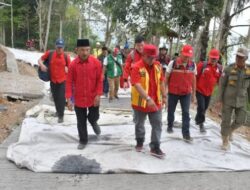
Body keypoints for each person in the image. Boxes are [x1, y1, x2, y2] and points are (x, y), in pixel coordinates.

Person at [66, 39, 103, 150]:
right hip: (79, 98)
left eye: (87, 50)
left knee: (93, 116)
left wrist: (98, 95)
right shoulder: (73, 65)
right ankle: (83, 140)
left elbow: (99, 80)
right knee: (80, 121)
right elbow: (68, 82)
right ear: (77, 50)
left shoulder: (96, 63)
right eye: (82, 50)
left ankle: (93, 122)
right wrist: (69, 99)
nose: (85, 53)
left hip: (93, 97)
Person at [131, 44, 166, 158]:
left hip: (156, 102)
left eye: (154, 57)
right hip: (141, 103)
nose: (152, 60)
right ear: (143, 55)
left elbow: (161, 81)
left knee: (157, 124)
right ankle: (140, 141)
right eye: (149, 57)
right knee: (139, 124)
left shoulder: (158, 66)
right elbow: (136, 84)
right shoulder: (136, 67)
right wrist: (147, 98)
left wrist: (164, 95)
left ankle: (155, 147)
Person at [218, 47, 250, 150]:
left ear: (246, 58)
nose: (238, 58)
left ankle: (230, 131)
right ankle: (225, 140)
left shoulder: (249, 70)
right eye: (237, 56)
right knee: (225, 121)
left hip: (241, 100)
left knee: (241, 120)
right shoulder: (228, 68)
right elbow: (221, 85)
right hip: (228, 99)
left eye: (241, 57)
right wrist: (219, 100)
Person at [166, 44, 196, 142]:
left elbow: (193, 79)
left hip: (186, 93)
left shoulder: (192, 65)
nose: (186, 58)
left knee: (186, 113)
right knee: (171, 110)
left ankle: (186, 134)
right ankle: (170, 125)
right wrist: (164, 92)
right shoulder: (173, 63)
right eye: (185, 55)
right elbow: (166, 78)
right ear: (181, 53)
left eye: (188, 56)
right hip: (173, 91)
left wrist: (194, 94)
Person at [38, 38, 70, 123]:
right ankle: (58, 111)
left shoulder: (66, 56)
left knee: (61, 98)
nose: (59, 49)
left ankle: (61, 115)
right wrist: (41, 65)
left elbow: (71, 68)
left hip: (62, 80)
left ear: (63, 47)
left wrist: (68, 69)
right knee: (55, 97)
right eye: (58, 47)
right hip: (53, 80)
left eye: (61, 47)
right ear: (55, 46)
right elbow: (40, 60)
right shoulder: (50, 53)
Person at [195, 49, 222, 133]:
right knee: (202, 107)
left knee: (204, 108)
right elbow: (195, 77)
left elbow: (219, 81)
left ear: (218, 59)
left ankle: (197, 118)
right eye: (212, 58)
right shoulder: (202, 65)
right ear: (209, 57)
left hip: (209, 92)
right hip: (199, 90)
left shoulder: (219, 68)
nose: (213, 60)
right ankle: (201, 124)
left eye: (215, 58)